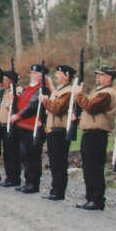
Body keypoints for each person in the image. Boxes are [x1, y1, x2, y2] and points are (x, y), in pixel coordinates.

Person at [71, 63, 116, 211]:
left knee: (94, 167)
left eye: (101, 75)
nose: (98, 77)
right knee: (88, 167)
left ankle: (96, 199)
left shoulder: (107, 93)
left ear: (109, 77)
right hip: (90, 133)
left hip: (97, 134)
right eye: (98, 74)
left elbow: (90, 106)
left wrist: (79, 94)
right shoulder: (100, 92)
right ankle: (90, 197)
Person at [9, 63, 49, 194]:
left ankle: (33, 183)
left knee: (32, 156)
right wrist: (16, 98)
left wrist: (18, 116)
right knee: (25, 155)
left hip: (32, 127)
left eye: (35, 73)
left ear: (41, 76)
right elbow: (24, 101)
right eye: (31, 73)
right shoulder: (29, 87)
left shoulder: (43, 88)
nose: (32, 75)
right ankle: (28, 181)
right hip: (24, 126)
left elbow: (32, 106)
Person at [39, 64, 75, 201]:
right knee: (54, 161)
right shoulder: (58, 90)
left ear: (67, 76)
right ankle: (55, 188)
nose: (56, 76)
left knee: (59, 161)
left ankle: (59, 191)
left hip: (59, 129)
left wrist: (45, 101)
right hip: (52, 129)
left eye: (59, 74)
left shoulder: (68, 91)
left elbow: (57, 108)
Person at [0, 69, 22, 188]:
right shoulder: (6, 92)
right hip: (3, 125)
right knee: (6, 152)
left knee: (12, 153)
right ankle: (9, 176)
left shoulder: (17, 91)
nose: (4, 82)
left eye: (6, 80)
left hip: (11, 126)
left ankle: (14, 177)